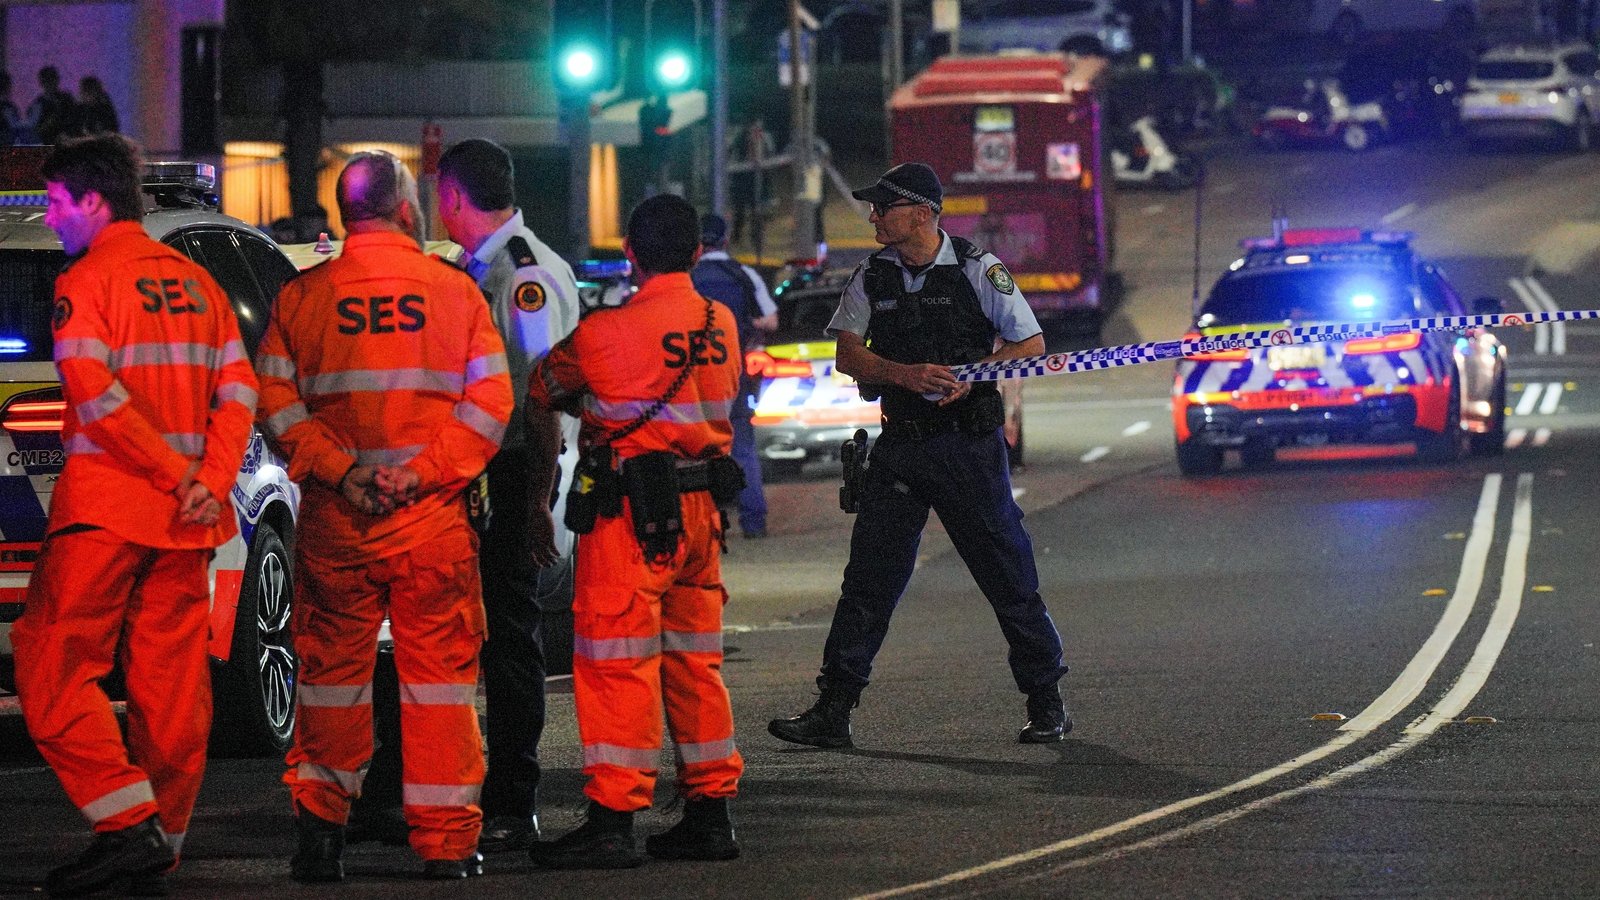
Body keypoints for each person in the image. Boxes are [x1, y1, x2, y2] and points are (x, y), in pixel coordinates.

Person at [255, 150, 513, 882]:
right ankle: (448, 845)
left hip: (340, 521)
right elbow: (490, 405)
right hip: (429, 520)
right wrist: (419, 473)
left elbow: (276, 405)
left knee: (331, 681)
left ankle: (321, 837)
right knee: (437, 686)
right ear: (407, 209)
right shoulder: (455, 294)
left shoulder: (303, 297)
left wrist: (345, 472)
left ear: (344, 214)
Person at [11, 134, 257, 897]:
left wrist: (173, 471)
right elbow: (239, 391)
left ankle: (127, 825)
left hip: (110, 510)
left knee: (49, 666)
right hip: (186, 522)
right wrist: (208, 479)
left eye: (55, 202)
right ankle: (159, 847)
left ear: (92, 199)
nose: (50, 218)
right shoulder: (197, 284)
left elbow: (95, 392)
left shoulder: (87, 282)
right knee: (172, 693)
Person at [767, 162, 1071, 750]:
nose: (874, 216)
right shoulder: (873, 275)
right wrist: (900, 374)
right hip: (901, 445)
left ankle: (1046, 699)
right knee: (868, 582)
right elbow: (849, 355)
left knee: (1007, 576)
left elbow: (1030, 344)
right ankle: (834, 710)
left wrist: (973, 377)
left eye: (886, 207)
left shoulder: (979, 269)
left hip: (967, 445)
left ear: (925, 213)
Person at [525, 193, 745, 870]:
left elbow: (543, 387)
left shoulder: (603, 334)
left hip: (629, 518)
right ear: (697, 253)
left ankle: (614, 820)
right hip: (702, 516)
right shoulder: (722, 322)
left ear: (630, 254)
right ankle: (710, 815)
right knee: (695, 664)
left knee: (617, 667)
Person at [434, 137, 581, 853]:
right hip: (484, 471)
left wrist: (534, 503)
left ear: (452, 195)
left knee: (511, 639)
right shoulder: (485, 268)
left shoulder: (523, 276)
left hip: (514, 470)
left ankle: (513, 797)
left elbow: (543, 395)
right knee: (476, 634)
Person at [691, 212, 777, 538]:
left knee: (694, 450)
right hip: (732, 374)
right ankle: (753, 522)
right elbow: (770, 321)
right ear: (726, 239)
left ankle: (702, 526)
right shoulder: (742, 274)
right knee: (742, 446)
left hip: (690, 377)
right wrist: (742, 326)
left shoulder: (687, 276)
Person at [28, 65, 77, 144]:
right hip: (48, 143)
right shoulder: (37, 104)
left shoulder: (67, 98)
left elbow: (75, 119)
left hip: (67, 143)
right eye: (47, 80)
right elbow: (35, 130)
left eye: (51, 79)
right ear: (41, 82)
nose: (50, 83)